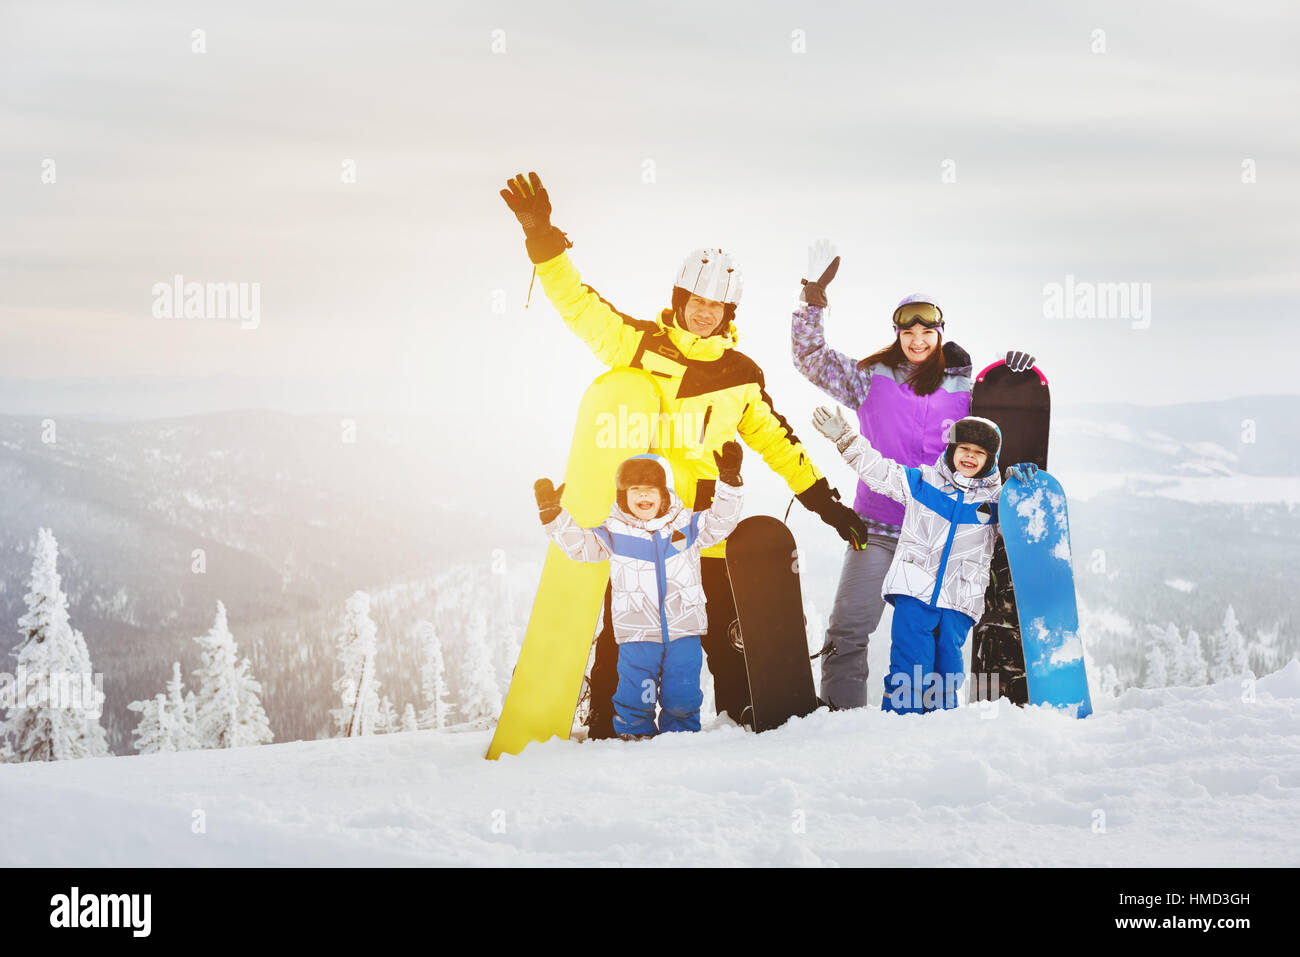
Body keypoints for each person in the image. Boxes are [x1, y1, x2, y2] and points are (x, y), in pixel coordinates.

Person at [501, 172, 869, 735]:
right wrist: (544, 240)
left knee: (723, 635)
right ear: (680, 300)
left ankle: (731, 728)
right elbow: (579, 305)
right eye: (696, 300)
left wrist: (829, 506)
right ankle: (607, 722)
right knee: (627, 633)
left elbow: (779, 444)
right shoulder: (641, 344)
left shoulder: (741, 376)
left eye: (716, 305)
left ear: (729, 312)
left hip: (705, 529)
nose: (704, 312)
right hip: (641, 524)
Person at [792, 246, 1035, 708]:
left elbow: (998, 431)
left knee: (939, 640)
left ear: (940, 335)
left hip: (939, 535)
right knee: (848, 627)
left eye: (928, 331)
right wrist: (813, 300)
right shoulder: (869, 378)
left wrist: (1011, 376)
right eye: (909, 331)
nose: (918, 339)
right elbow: (810, 358)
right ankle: (841, 720)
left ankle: (931, 724)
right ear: (897, 333)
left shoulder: (965, 389)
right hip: (880, 529)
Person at [811, 408, 1019, 713]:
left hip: (959, 600)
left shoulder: (997, 502)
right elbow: (879, 471)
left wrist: (1023, 489)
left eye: (979, 452)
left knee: (948, 671)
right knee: (910, 665)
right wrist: (845, 437)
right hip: (914, 592)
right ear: (952, 449)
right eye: (964, 449)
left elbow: (1018, 528)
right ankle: (901, 723)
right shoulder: (924, 483)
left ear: (991, 460)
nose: (970, 457)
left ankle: (939, 729)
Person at [534, 444, 744, 738]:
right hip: (637, 633)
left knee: (683, 694)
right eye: (634, 489)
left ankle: (681, 737)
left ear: (665, 494)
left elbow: (721, 522)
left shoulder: (686, 527)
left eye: (650, 489)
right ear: (623, 496)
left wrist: (730, 482)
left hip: (683, 629)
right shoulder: (614, 532)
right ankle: (634, 736)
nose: (642, 495)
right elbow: (580, 545)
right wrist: (553, 516)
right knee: (635, 694)